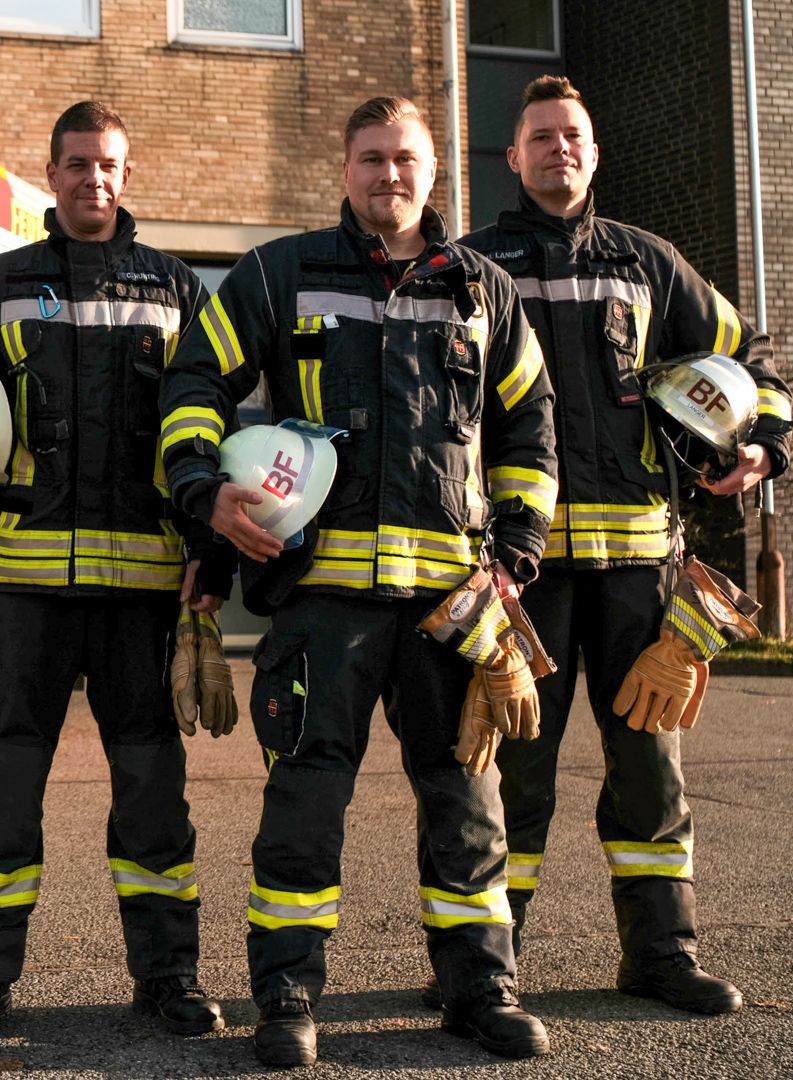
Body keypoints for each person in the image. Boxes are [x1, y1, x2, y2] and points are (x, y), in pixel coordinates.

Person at [158, 96, 559, 1066]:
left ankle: (480, 988)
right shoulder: (279, 274)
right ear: (345, 170)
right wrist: (203, 489)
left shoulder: (484, 293)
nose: (390, 175)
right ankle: (287, 997)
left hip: (450, 609)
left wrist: (513, 558)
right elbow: (194, 381)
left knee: (468, 805)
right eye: (373, 158)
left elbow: (530, 425)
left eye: (406, 159)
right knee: (303, 806)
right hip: (321, 604)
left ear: (433, 171)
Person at [0, 101, 230, 1040]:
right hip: (21, 594)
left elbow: (218, 423)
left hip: (142, 595)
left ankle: (170, 980)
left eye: (106, 164)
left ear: (127, 175)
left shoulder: (179, 292)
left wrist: (212, 550)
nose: (91, 179)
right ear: (53, 173)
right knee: (5, 796)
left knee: (154, 799)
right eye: (75, 164)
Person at [455, 75, 793, 1014]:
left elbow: (749, 358)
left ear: (594, 152)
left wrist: (763, 445)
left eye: (573, 135)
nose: (558, 148)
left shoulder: (649, 264)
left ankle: (661, 956)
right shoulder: (472, 267)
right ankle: (486, 969)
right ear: (512, 157)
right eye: (541, 136)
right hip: (521, 573)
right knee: (512, 772)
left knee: (650, 772)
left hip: (640, 573)